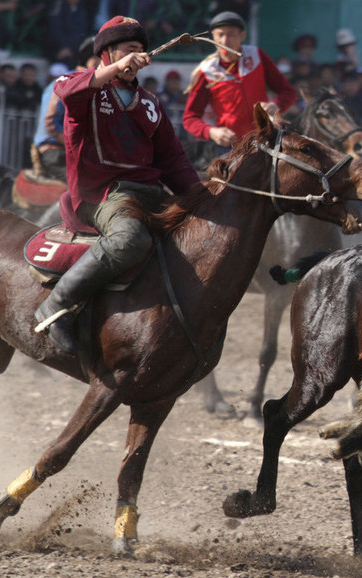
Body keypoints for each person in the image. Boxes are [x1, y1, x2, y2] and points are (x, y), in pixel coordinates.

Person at [35, 16, 200, 354]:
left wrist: (201, 197)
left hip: (149, 193)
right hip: (102, 196)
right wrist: (114, 69)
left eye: (141, 50)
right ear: (106, 54)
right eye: (129, 50)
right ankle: (55, 306)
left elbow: (173, 161)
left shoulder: (152, 103)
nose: (137, 57)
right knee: (130, 240)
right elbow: (65, 87)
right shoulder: (84, 90)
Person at [182, 11, 296, 149]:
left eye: (230, 34)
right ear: (212, 37)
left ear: (242, 35)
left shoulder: (256, 56)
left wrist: (276, 105)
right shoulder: (206, 71)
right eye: (220, 35)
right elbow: (189, 118)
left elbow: (288, 92)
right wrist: (211, 132)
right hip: (230, 147)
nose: (224, 41)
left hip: (265, 140)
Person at [32, 36, 97, 181]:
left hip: (80, 154)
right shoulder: (65, 82)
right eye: (96, 58)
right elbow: (51, 125)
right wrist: (81, 148)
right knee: (89, 185)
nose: (101, 64)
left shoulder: (101, 87)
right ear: (85, 60)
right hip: (55, 151)